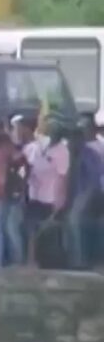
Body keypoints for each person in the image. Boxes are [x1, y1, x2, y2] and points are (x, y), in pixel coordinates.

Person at [26, 120, 70, 268]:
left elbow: (63, 177)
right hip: (35, 195)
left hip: (51, 197)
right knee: (32, 229)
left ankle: (50, 262)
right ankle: (31, 261)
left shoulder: (62, 151)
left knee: (48, 231)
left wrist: (60, 202)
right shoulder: (37, 148)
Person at [66, 115, 101, 269]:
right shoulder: (70, 155)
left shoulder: (89, 155)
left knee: (77, 223)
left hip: (89, 197)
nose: (70, 142)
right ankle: (75, 260)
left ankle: (83, 261)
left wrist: (83, 201)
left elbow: (94, 180)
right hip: (75, 197)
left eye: (74, 138)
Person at [0, 133, 24, 267]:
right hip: (6, 196)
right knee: (3, 229)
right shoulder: (6, 158)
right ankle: (5, 260)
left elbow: (0, 180)